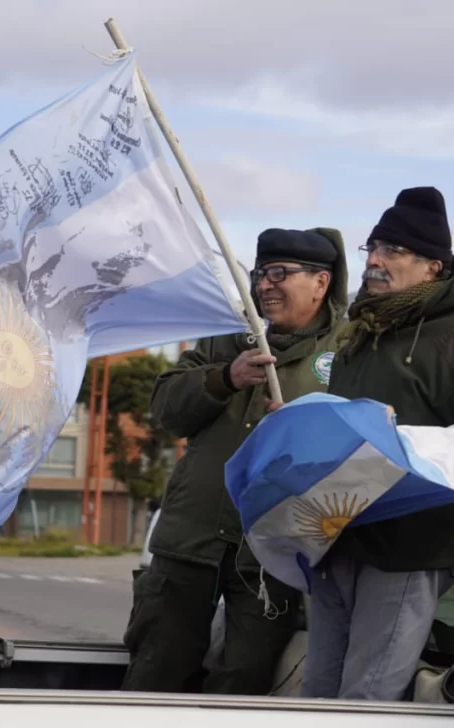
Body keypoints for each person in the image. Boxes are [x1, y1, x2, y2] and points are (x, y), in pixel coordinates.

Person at [298, 187, 454, 702]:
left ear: (433, 266)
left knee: (367, 701)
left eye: (392, 250)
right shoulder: (360, 334)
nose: (374, 260)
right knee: (320, 696)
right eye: (371, 247)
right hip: (341, 533)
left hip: (413, 544)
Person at [121, 227, 350, 695]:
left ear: (320, 284)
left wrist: (307, 430)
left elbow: (365, 448)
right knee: (154, 674)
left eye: (279, 274)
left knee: (242, 687)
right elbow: (166, 409)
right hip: (192, 540)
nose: (264, 285)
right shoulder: (228, 337)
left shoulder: (349, 353)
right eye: (260, 274)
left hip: (274, 556)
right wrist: (224, 377)